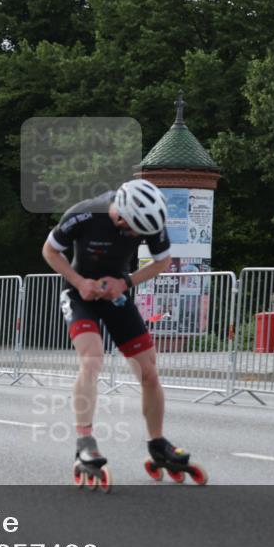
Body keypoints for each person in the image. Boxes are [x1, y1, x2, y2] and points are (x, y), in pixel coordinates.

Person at [41, 178, 203, 488]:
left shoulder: (150, 219)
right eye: (134, 232)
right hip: (80, 295)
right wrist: (79, 282)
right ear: (119, 217)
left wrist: (126, 283)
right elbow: (50, 251)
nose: (139, 237)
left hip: (116, 293)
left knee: (149, 371)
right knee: (92, 359)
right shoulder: (85, 214)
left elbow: (163, 261)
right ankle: (85, 442)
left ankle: (157, 444)